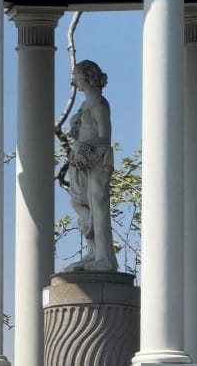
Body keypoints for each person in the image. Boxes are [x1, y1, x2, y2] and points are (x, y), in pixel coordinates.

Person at [65, 60, 118, 272]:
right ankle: (94, 249)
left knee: (98, 204)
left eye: (77, 77)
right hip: (82, 164)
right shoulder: (84, 106)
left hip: (96, 160)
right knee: (79, 201)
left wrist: (85, 150)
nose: (74, 81)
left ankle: (105, 258)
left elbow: (105, 137)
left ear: (86, 78)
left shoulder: (99, 105)